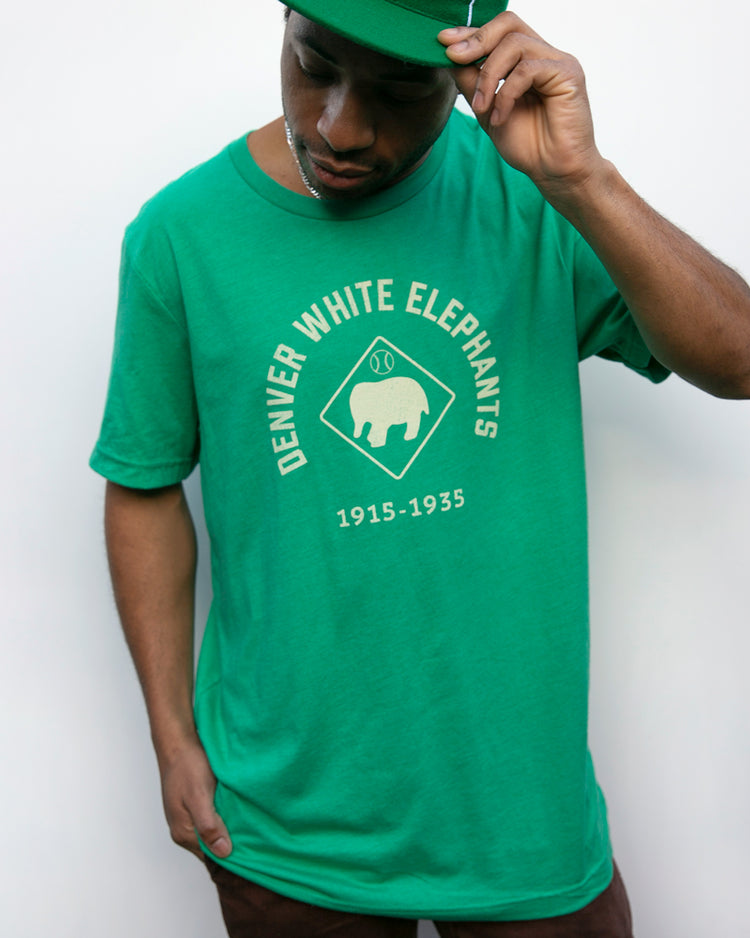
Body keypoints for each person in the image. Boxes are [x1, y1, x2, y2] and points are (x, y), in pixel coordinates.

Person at [91, 1, 750, 935]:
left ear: (469, 74)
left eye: (400, 91)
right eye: (312, 64)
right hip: (288, 830)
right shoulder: (180, 235)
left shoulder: (536, 202)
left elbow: (739, 359)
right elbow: (144, 483)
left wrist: (585, 179)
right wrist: (170, 735)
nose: (340, 127)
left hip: (522, 818)